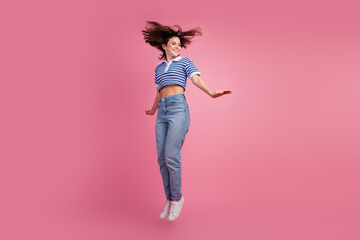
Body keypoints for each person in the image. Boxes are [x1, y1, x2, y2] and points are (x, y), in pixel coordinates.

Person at [142, 21, 231, 221]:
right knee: (161, 159)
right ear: (164, 46)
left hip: (177, 109)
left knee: (171, 156)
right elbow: (159, 91)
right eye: (173, 44)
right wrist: (153, 109)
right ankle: (170, 198)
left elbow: (195, 78)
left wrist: (210, 92)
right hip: (162, 111)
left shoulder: (185, 62)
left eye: (179, 44)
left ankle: (178, 198)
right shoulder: (158, 68)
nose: (177, 47)